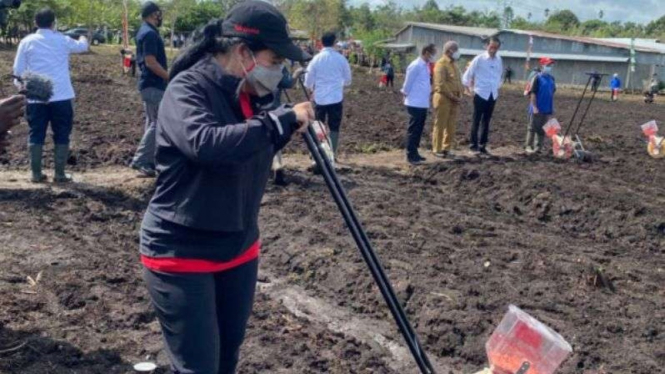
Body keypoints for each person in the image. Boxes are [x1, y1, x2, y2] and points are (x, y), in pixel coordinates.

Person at [139, 2, 314, 373]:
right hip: (181, 250)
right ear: (243, 52)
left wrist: (289, 129)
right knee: (199, 367)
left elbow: (247, 148)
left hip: (238, 246)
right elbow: (205, 144)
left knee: (226, 360)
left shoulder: (251, 92)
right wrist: (276, 124)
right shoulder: (187, 89)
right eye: (276, 58)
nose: (279, 69)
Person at [13, 8, 89, 183]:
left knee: (35, 133)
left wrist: (25, 88)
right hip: (61, 96)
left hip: (36, 97)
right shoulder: (62, 40)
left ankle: (36, 174)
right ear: (53, 23)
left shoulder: (26, 42)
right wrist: (83, 35)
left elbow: (18, 71)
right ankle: (60, 174)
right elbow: (83, 46)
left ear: (35, 23)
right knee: (62, 133)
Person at [129, 1, 169, 178]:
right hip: (153, 85)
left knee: (152, 121)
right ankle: (141, 160)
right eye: (159, 13)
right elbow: (150, 62)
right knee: (158, 122)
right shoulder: (150, 34)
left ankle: (150, 161)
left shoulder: (145, 32)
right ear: (154, 14)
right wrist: (170, 76)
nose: (160, 17)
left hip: (150, 85)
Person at [304, 31, 352, 157]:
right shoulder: (341, 59)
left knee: (318, 125)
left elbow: (308, 80)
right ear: (335, 42)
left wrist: (311, 88)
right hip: (336, 98)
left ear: (321, 42)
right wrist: (339, 84)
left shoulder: (316, 59)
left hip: (319, 98)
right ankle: (332, 154)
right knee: (334, 127)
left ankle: (316, 153)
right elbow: (348, 80)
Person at [463, 36, 503, 155]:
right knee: (476, 120)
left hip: (492, 94)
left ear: (498, 48)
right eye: (491, 46)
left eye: (495, 47)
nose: (493, 49)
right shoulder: (479, 59)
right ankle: (473, 145)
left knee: (487, 121)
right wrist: (469, 89)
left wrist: (497, 86)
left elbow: (500, 75)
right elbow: (468, 75)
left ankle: (482, 145)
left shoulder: (499, 60)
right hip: (480, 93)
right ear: (487, 46)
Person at [270, 64, 305, 186]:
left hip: (256, 109)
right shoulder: (279, 67)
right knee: (276, 140)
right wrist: (297, 73)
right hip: (273, 109)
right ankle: (277, 168)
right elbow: (288, 83)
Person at [401, 43, 436, 165]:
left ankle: (415, 152)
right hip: (414, 102)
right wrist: (405, 93)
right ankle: (410, 154)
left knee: (419, 129)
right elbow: (408, 82)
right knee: (414, 129)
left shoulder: (426, 65)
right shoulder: (415, 65)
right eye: (432, 53)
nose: (433, 56)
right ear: (426, 52)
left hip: (422, 102)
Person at [432, 41, 463, 158]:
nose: (457, 53)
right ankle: (437, 148)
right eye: (456, 50)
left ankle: (447, 148)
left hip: (454, 99)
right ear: (449, 51)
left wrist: (460, 94)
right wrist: (452, 96)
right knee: (440, 124)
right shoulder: (441, 64)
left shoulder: (454, 65)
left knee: (451, 125)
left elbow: (458, 81)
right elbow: (440, 84)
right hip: (443, 98)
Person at [525, 57, 556, 154]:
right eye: (547, 65)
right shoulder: (537, 78)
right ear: (542, 66)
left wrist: (551, 107)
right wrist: (534, 106)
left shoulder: (552, 79)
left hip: (546, 108)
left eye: (550, 65)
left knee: (542, 129)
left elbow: (551, 93)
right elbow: (533, 93)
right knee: (532, 127)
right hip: (537, 107)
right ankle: (528, 146)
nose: (549, 67)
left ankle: (538, 147)